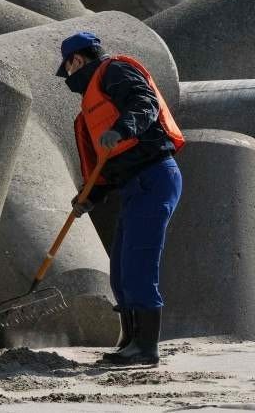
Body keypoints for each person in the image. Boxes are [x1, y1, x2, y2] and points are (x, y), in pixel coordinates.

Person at [57, 32, 184, 366]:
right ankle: (129, 341)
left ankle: (145, 349)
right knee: (121, 270)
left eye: (67, 70)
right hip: (133, 185)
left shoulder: (114, 71)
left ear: (76, 61)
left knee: (139, 265)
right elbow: (107, 165)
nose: (69, 78)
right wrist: (90, 196)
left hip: (154, 176)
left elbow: (145, 103)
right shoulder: (88, 108)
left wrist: (123, 128)